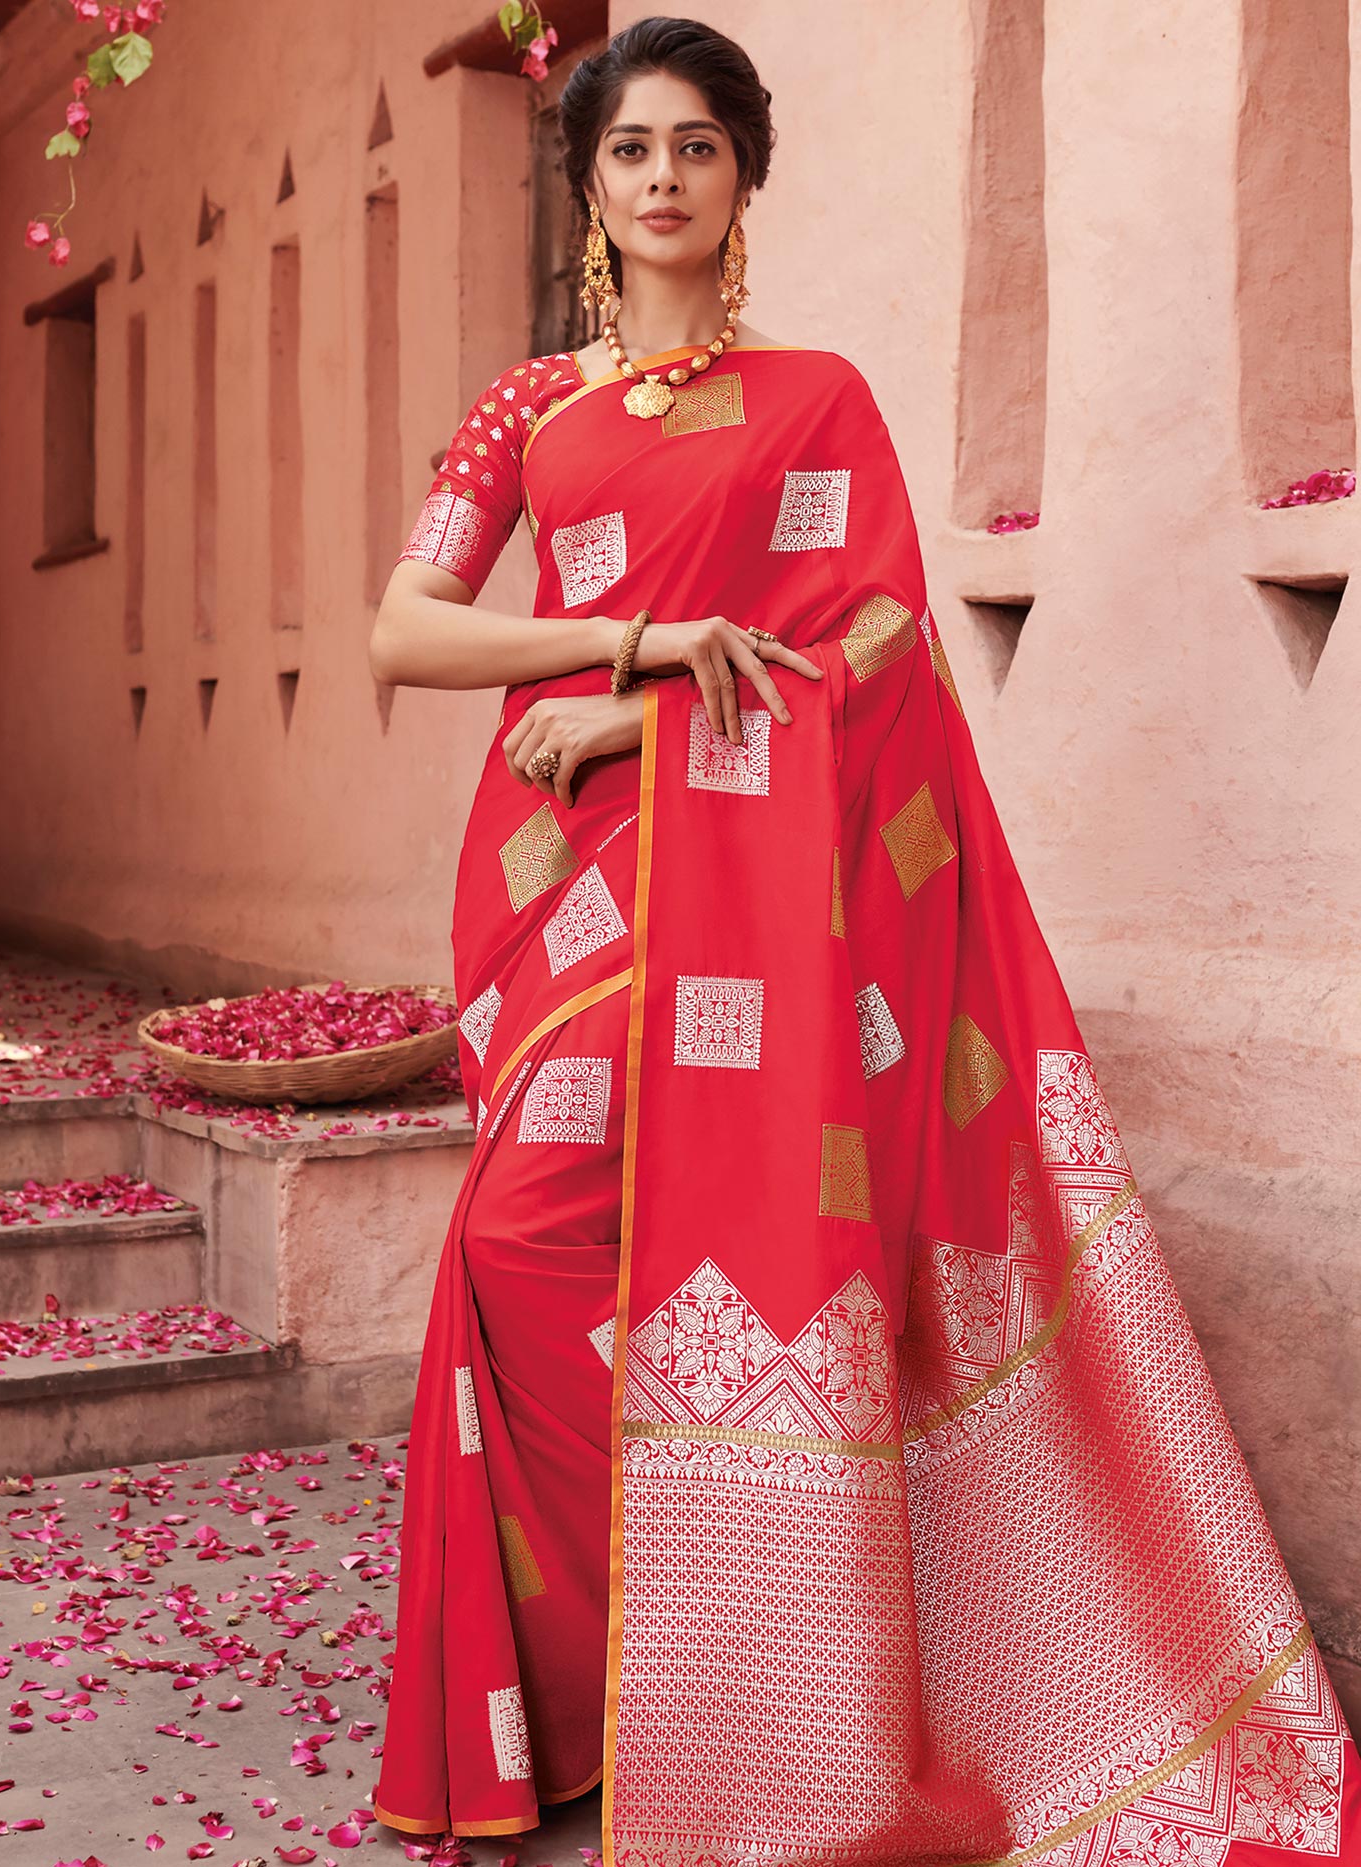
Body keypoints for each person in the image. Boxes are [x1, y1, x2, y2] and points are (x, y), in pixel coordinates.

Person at [367, 16, 1360, 1863]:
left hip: (753, 907)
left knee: (707, 1282)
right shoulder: (531, 412)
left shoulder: (818, 400)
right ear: (588, 184)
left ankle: (728, 1712)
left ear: (745, 178)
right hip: (575, 898)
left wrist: (663, 719)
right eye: (629, 151)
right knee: (522, 1256)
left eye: (697, 150)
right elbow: (404, 633)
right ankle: (585, 1706)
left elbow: (877, 655)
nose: (661, 179)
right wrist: (631, 651)